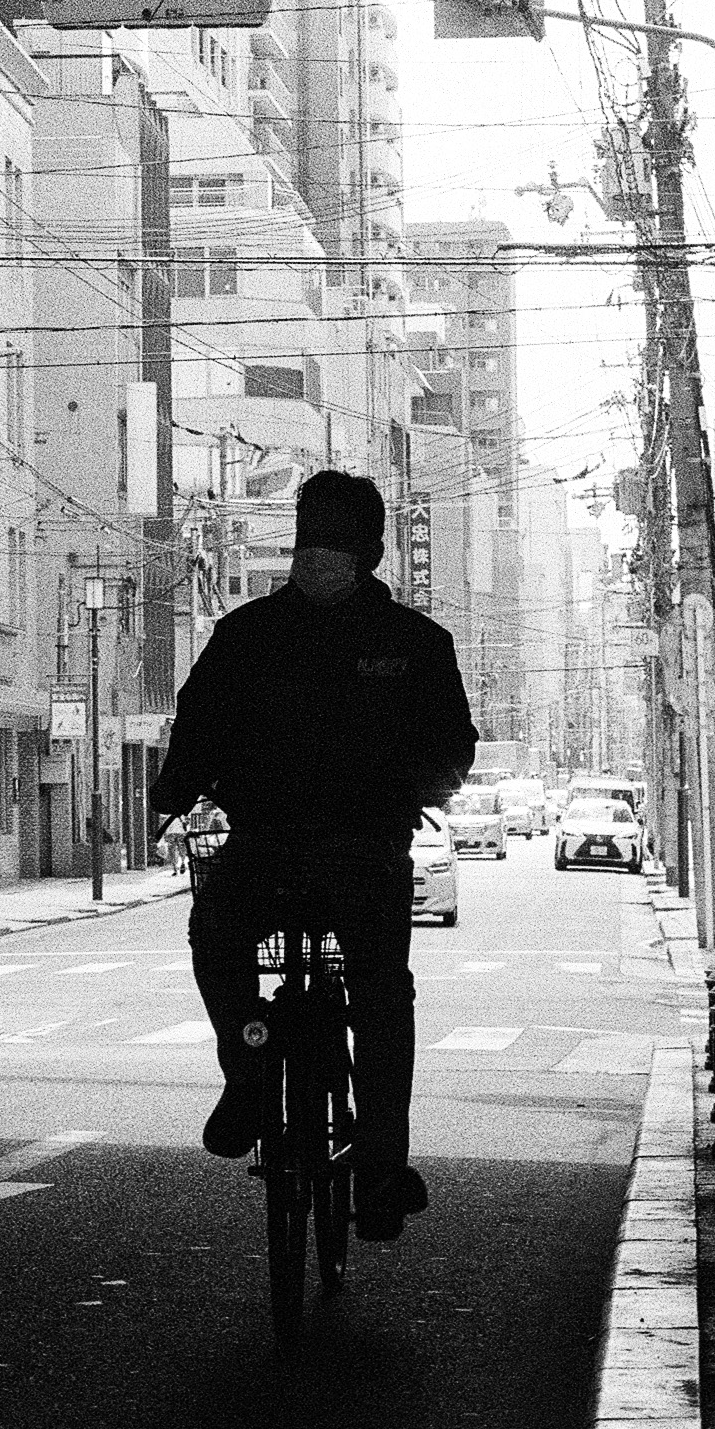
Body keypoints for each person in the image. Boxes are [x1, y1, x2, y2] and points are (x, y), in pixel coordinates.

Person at [150, 470, 478, 1241]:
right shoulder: (410, 643)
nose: (320, 556)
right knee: (379, 996)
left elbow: (196, 730)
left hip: (285, 847)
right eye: (313, 541)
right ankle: (378, 1167)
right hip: (351, 850)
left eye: (332, 542)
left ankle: (248, 1071)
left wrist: (176, 788)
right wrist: (425, 784)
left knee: (223, 936)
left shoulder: (253, 633)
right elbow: (452, 748)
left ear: (363, 551)